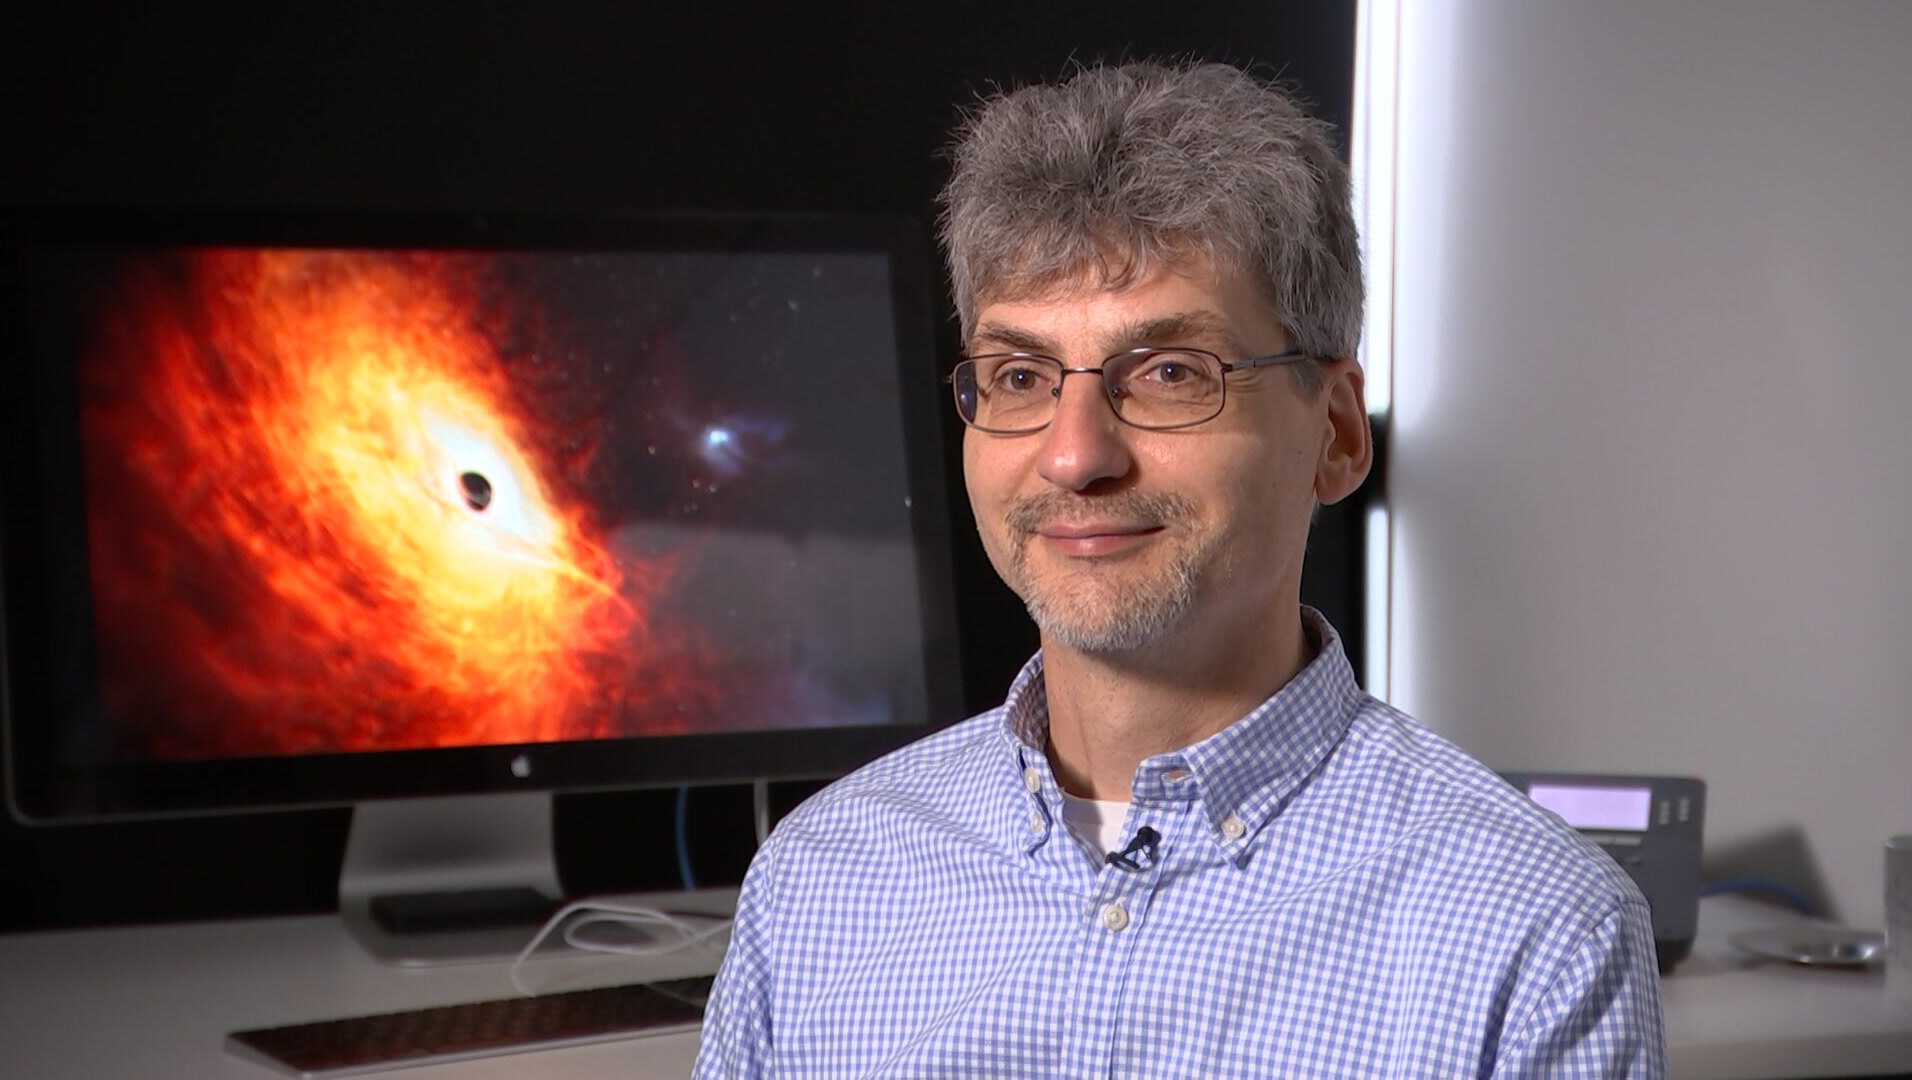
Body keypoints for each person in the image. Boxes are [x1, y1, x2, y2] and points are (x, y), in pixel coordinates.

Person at [694, 60, 1664, 1078]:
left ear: (1335, 432)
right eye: (1020, 376)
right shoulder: (819, 881)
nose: (1075, 456)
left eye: (1168, 373)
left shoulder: (1534, 932)